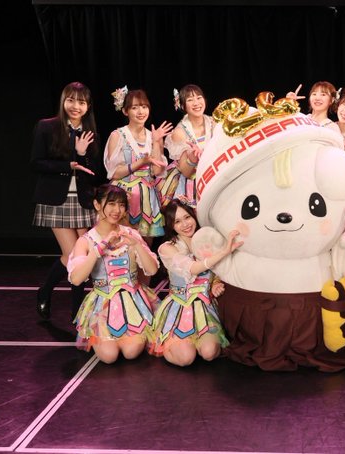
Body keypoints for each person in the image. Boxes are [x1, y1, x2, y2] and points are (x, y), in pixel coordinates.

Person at [31, 81, 103, 320]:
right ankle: (48, 293)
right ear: (63, 101)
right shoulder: (47, 126)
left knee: (82, 255)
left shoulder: (90, 132)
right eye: (71, 100)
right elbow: (36, 162)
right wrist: (68, 165)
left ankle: (75, 308)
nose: (75, 106)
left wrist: (82, 155)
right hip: (56, 199)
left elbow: (95, 172)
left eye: (81, 102)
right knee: (73, 254)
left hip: (83, 200)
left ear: (88, 106)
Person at [68, 184, 160, 364]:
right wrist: (99, 248)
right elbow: (77, 279)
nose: (117, 210)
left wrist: (136, 245)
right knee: (109, 356)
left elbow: (152, 270)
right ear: (97, 205)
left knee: (131, 352)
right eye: (111, 204)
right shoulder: (86, 241)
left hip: (133, 303)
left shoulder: (131, 234)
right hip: (103, 305)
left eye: (121, 205)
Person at [149, 200, 242, 366]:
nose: (185, 224)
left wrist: (215, 283)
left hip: (205, 307)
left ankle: (198, 343)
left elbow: (219, 270)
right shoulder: (167, 248)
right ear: (171, 226)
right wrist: (224, 251)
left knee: (209, 353)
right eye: (177, 221)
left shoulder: (208, 240)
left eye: (187, 217)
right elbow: (193, 268)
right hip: (179, 307)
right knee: (186, 358)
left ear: (194, 216)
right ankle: (169, 345)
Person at [105, 87, 172, 242]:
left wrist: (156, 142)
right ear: (125, 111)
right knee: (123, 243)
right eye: (135, 107)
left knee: (145, 247)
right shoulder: (118, 135)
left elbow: (157, 171)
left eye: (144, 106)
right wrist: (141, 162)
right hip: (124, 195)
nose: (141, 111)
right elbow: (113, 172)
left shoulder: (153, 135)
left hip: (147, 196)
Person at [157, 84, 215, 209]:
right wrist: (193, 158)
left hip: (214, 174)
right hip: (190, 181)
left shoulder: (214, 122)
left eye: (199, 98)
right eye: (190, 100)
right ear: (182, 106)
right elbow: (186, 172)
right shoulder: (180, 132)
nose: (196, 103)